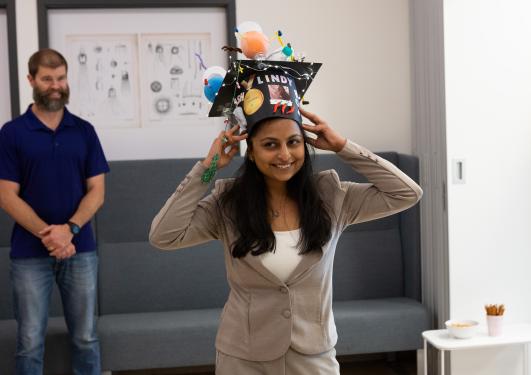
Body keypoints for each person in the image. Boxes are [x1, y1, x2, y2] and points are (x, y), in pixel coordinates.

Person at [149, 59, 422, 374]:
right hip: (243, 358)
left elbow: (406, 193)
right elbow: (164, 235)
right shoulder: (227, 203)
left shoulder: (332, 195)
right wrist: (208, 167)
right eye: (270, 145)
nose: (284, 154)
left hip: (313, 356)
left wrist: (343, 146)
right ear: (251, 151)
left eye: (293, 143)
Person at [0, 48, 109, 375]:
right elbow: (7, 196)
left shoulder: (84, 131)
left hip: (80, 250)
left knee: (86, 337)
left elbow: (97, 192)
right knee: (30, 340)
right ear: (31, 80)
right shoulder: (12, 133)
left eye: (60, 78)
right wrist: (50, 236)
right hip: (29, 254)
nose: (55, 85)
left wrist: (69, 230)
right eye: (47, 79)